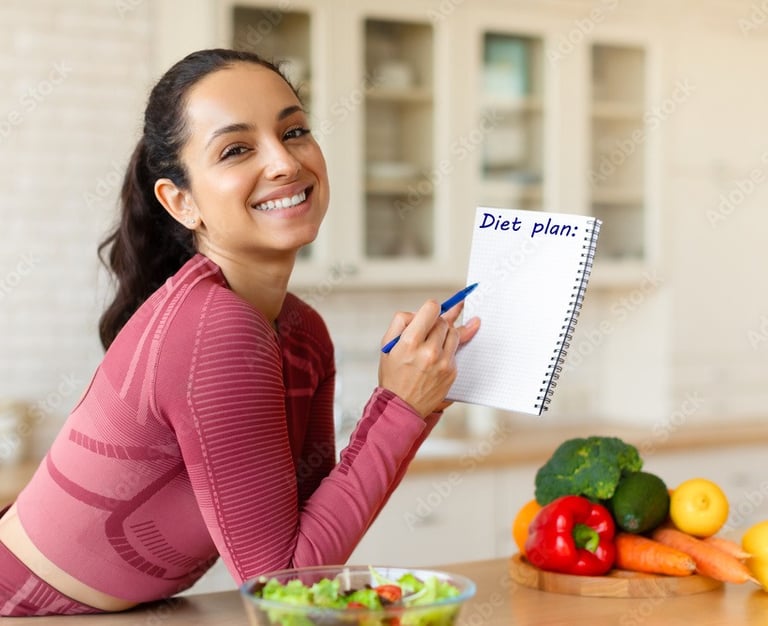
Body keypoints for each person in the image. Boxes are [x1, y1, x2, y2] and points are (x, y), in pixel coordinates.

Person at [0, 48, 480, 616]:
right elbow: (284, 585)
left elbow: (309, 541)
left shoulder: (303, 332)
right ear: (181, 202)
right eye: (236, 149)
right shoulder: (214, 328)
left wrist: (415, 401)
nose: (284, 163)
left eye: (294, 131)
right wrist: (402, 407)